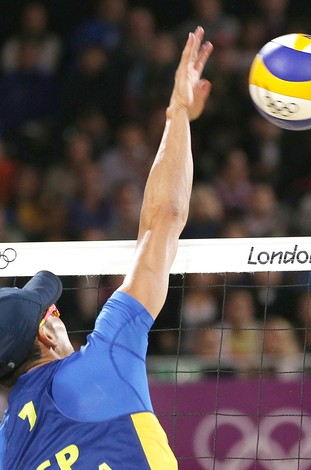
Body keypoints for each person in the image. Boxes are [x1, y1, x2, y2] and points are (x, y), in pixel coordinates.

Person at [0, 27, 213, 469]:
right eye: (51, 313)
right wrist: (177, 114)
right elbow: (163, 222)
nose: (58, 317)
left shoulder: (6, 451)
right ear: (44, 334)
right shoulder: (106, 360)